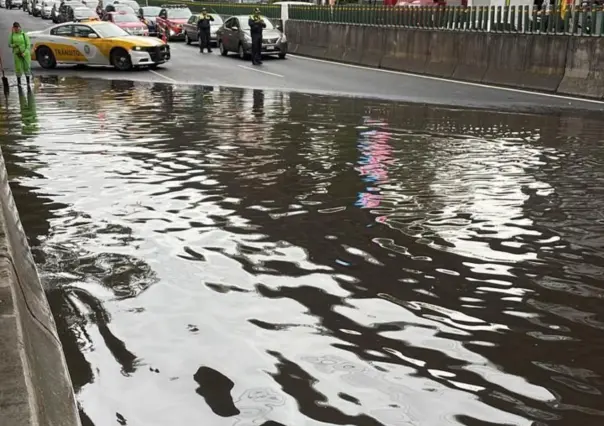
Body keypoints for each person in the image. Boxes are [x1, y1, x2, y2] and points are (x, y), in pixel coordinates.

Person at [9, 22, 32, 87]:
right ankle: (19, 83)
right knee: (18, 68)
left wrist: (24, 53)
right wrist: (14, 45)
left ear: (20, 27)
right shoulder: (12, 35)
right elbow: (9, 44)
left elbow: (28, 45)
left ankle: (28, 83)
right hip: (17, 54)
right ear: (13, 28)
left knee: (26, 67)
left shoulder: (24, 35)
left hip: (25, 54)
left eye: (17, 27)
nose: (16, 29)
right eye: (15, 27)